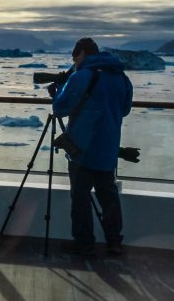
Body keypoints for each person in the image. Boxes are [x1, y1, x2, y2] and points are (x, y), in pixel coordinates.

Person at [52, 37, 133, 256]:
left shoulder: (81, 77)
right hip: (107, 149)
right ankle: (114, 242)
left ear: (82, 54)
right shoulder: (121, 78)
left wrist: (59, 89)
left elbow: (60, 108)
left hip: (82, 149)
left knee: (80, 198)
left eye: (74, 57)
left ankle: (84, 244)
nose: (73, 62)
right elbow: (125, 110)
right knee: (108, 197)